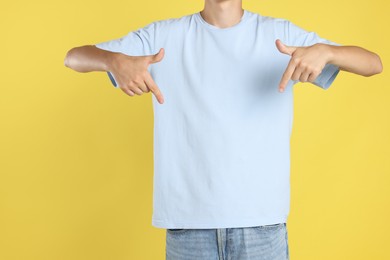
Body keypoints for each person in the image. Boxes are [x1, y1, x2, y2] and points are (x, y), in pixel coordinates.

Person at [64, 0, 383, 259]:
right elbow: (73, 57)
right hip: (188, 226)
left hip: (261, 225)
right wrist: (114, 60)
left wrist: (328, 52)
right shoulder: (163, 37)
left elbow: (373, 64)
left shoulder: (279, 34)